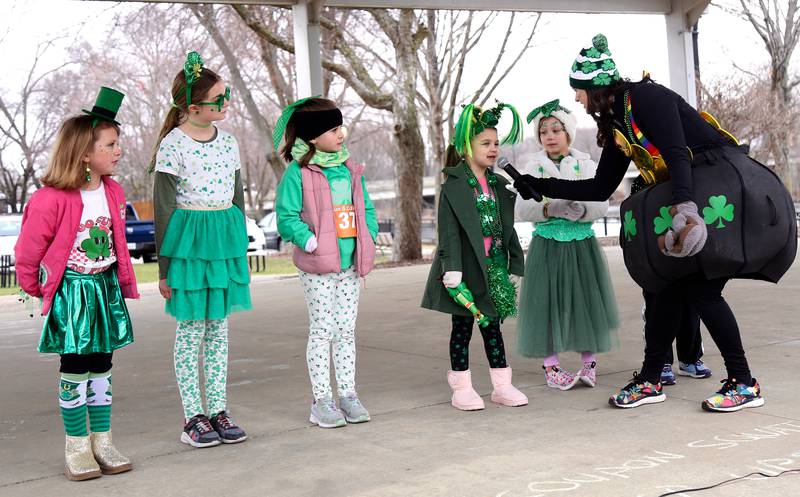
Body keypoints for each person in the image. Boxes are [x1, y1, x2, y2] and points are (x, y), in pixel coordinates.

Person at [515, 34, 794, 412]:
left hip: (717, 189)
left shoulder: (646, 97)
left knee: (702, 290)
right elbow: (600, 187)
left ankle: (744, 383)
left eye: (579, 92)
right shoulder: (616, 122)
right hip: (690, 193)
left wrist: (685, 211)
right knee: (665, 286)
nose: (577, 101)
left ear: (595, 87)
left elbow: (678, 153)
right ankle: (650, 379)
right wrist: (541, 183)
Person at [15, 87, 138, 480]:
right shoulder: (51, 199)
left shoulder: (113, 191)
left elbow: (117, 242)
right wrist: (34, 286)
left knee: (103, 365)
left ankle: (102, 440)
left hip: (103, 289)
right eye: (111, 144)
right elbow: (30, 247)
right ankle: (77, 446)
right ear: (85, 153)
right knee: (76, 366)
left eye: (118, 144)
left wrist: (121, 280)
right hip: (73, 292)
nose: (118, 151)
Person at [152, 51, 250, 446]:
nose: (226, 104)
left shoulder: (230, 144)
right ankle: (193, 416)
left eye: (226, 97)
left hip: (222, 240)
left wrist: (238, 250)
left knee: (219, 329)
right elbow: (163, 208)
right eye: (218, 99)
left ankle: (218, 410)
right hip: (188, 243)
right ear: (193, 107)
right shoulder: (172, 146)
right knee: (191, 329)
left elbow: (238, 198)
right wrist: (164, 267)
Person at [274, 96, 378, 428]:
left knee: (346, 331)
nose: (341, 134)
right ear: (313, 136)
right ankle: (322, 401)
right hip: (318, 264)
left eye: (341, 127)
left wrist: (370, 235)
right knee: (322, 330)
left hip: (349, 264)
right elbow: (286, 216)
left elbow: (368, 209)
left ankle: (347, 394)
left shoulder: (350, 169)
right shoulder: (298, 172)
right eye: (334, 129)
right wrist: (309, 240)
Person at [421, 102, 528, 411]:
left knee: (493, 327)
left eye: (496, 143)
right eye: (486, 143)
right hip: (465, 271)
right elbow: (449, 233)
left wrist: (514, 264)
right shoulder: (453, 187)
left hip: (493, 268)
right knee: (463, 328)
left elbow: (507, 230)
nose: (493, 149)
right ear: (467, 146)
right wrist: (451, 269)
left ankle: (502, 386)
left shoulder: (498, 186)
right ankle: (462, 387)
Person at [514, 99, 619, 390]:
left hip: (581, 244)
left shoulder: (586, 164)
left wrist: (583, 210)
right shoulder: (533, 166)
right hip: (547, 244)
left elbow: (602, 200)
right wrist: (549, 210)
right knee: (546, 304)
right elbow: (523, 208)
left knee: (585, 302)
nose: (550, 136)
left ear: (568, 133)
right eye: (544, 131)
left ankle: (589, 363)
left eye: (556, 130)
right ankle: (551, 366)